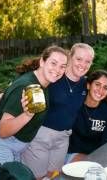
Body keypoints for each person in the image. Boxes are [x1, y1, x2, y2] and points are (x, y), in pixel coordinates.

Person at [0, 45, 68, 176]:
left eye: (62, 66)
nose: (57, 69)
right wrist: (27, 115)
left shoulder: (43, 83)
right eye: (54, 63)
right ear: (42, 62)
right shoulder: (26, 86)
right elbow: (3, 131)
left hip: (12, 143)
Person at [21, 43, 95, 179]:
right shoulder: (54, 77)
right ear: (70, 57)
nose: (82, 64)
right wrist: (5, 95)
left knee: (54, 175)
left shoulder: (86, 84)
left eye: (87, 61)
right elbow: (28, 82)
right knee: (36, 176)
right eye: (79, 59)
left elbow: (99, 96)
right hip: (40, 136)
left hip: (63, 138)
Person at [65, 70, 107, 163]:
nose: (100, 90)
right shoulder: (75, 105)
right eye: (97, 84)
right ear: (88, 85)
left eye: (105, 87)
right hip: (71, 153)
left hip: (96, 156)